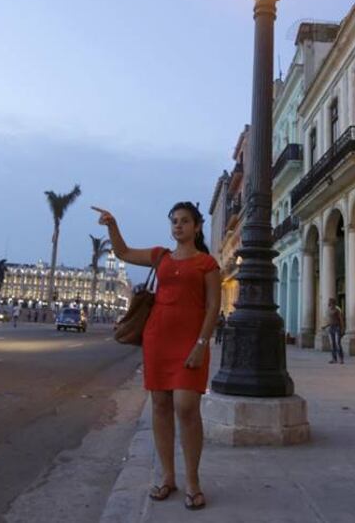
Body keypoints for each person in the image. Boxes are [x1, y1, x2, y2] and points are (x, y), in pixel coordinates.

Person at [94, 201, 219, 512]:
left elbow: (213, 307)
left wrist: (201, 344)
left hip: (191, 342)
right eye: (174, 221)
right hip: (158, 340)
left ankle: (193, 481)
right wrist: (113, 225)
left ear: (197, 227)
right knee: (161, 406)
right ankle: (167, 477)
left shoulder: (207, 263)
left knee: (186, 407)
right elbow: (123, 252)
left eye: (185, 221)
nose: (178, 225)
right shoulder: (160, 256)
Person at [326, 298, 344, 364]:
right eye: (329, 302)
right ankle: (334, 359)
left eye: (331, 302)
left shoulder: (337, 310)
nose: (329, 303)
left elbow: (341, 319)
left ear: (333, 303)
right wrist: (325, 326)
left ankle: (341, 359)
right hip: (331, 328)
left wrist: (342, 328)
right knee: (332, 344)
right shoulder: (328, 310)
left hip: (337, 327)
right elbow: (330, 321)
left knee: (338, 343)